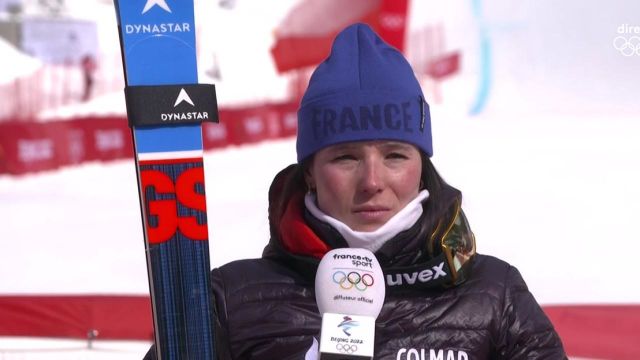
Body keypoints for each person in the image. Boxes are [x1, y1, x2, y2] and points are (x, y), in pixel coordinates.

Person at [144, 23, 566, 359]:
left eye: (395, 156)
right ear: (310, 171)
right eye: (346, 158)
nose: (372, 181)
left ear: (422, 165)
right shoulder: (229, 302)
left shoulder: (495, 294)